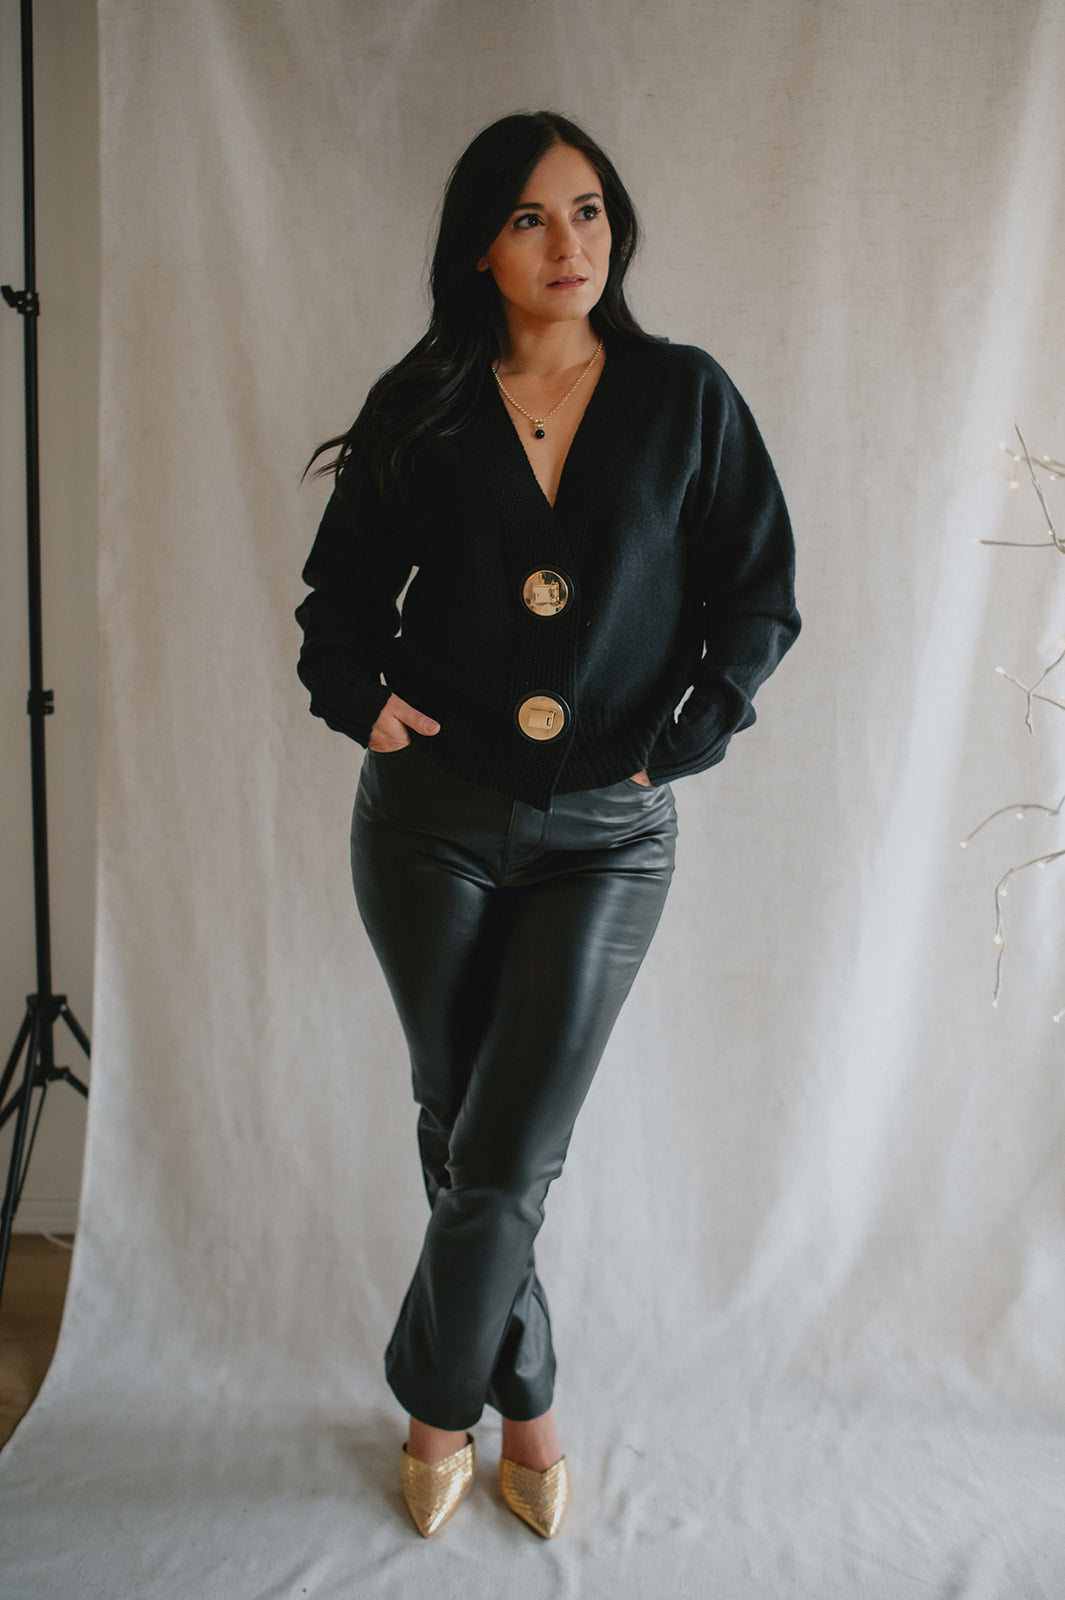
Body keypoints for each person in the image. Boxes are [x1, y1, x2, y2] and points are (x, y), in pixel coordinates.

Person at [295, 110, 799, 1540]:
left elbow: (758, 593)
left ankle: (432, 1404)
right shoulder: (426, 405)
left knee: (505, 1154)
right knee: (462, 1126)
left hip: (606, 843)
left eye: (586, 210)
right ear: (480, 246)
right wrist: (361, 703)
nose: (568, 242)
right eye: (529, 217)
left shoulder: (682, 396)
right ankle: (528, 1410)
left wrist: (680, 737)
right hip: (427, 830)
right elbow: (337, 608)